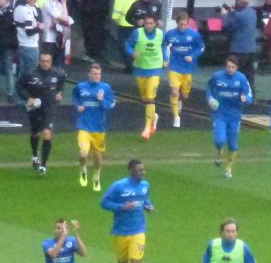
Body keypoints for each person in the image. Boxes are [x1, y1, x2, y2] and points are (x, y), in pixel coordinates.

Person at [100, 159, 154, 263]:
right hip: (121, 231)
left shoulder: (145, 185)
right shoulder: (118, 186)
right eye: (139, 170)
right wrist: (121, 207)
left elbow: (144, 199)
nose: (142, 173)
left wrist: (148, 206)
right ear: (131, 171)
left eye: (143, 170)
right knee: (122, 262)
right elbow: (104, 203)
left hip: (138, 230)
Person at [17, 50, 65, 175]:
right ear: (39, 61)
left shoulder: (58, 73)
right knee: (35, 133)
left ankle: (43, 165)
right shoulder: (30, 74)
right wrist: (28, 98)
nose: (45, 63)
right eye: (43, 61)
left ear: (51, 61)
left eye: (47, 61)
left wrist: (59, 93)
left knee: (47, 133)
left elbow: (61, 84)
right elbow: (19, 87)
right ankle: (34, 154)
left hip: (50, 108)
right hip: (35, 107)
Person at [206, 56, 254, 180]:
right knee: (220, 140)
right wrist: (210, 99)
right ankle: (219, 152)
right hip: (220, 114)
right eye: (228, 67)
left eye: (233, 67)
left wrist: (246, 99)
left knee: (233, 145)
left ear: (236, 68)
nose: (230, 69)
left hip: (235, 115)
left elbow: (249, 94)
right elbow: (209, 89)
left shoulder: (241, 78)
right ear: (225, 66)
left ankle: (229, 168)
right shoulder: (217, 76)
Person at [72, 61, 116, 190]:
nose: (97, 76)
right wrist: (77, 105)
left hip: (99, 128)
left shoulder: (106, 88)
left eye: (99, 74)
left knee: (97, 157)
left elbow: (111, 104)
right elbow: (75, 97)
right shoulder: (80, 86)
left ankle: (96, 176)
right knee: (83, 154)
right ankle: (83, 169)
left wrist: (102, 101)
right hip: (83, 126)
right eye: (94, 74)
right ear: (89, 74)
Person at [126, 12, 166, 139]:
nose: (148, 26)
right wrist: (131, 52)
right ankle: (153, 117)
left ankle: (147, 128)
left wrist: (165, 58)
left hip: (154, 69)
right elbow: (127, 44)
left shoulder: (160, 34)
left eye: (151, 23)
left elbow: (164, 46)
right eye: (147, 23)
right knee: (145, 98)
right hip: (140, 68)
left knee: (150, 97)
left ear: (155, 24)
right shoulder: (137, 33)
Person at [164, 10, 204, 128]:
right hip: (174, 67)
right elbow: (163, 45)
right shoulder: (170, 34)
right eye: (181, 24)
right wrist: (165, 58)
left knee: (185, 94)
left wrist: (192, 56)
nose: (183, 27)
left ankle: (181, 99)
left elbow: (201, 47)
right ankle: (176, 117)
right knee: (174, 92)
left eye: (185, 24)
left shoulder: (194, 35)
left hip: (187, 68)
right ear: (177, 23)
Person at [110, 0, 149, 70]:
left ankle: (130, 66)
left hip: (126, 18)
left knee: (124, 43)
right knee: (138, 43)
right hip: (141, 17)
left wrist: (115, 15)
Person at [222, 0, 259, 90]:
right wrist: (231, 11)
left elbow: (226, 27)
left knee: (236, 74)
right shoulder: (252, 12)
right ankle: (251, 97)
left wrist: (224, 15)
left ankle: (238, 95)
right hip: (251, 49)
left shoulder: (238, 16)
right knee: (250, 75)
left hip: (239, 50)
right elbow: (239, 15)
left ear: (239, 1)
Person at [13, 0, 43, 97]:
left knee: (22, 71)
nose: (35, 0)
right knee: (31, 73)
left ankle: (18, 94)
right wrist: (39, 28)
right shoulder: (28, 12)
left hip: (21, 45)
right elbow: (29, 31)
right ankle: (29, 95)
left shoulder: (18, 9)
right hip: (30, 46)